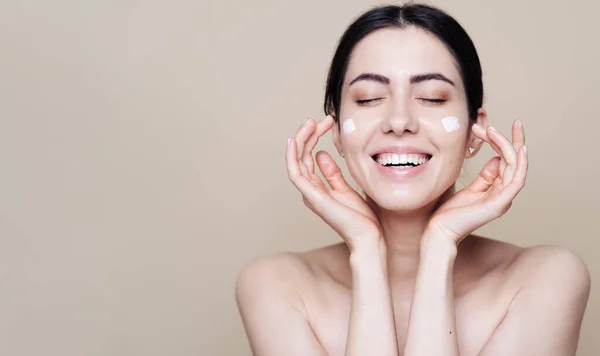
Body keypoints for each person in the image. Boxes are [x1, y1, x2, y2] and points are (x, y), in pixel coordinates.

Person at [235, 3, 591, 355]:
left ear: (474, 131)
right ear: (338, 133)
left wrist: (440, 246)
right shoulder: (275, 286)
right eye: (369, 98)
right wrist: (367, 249)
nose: (400, 120)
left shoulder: (547, 280)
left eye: (433, 98)